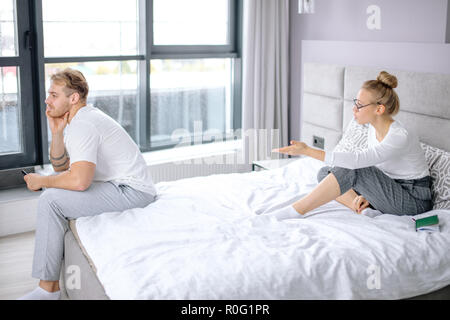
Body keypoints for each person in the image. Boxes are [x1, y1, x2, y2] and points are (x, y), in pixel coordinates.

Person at [18, 68, 157, 300]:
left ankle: (48, 290)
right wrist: (57, 133)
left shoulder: (84, 125)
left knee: (51, 200)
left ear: (73, 98)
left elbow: (80, 181)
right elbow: (62, 168)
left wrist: (42, 182)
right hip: (118, 185)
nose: (47, 100)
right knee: (54, 189)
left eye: (54, 95)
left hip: (132, 191)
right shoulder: (80, 120)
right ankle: (47, 288)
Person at [270, 71, 432, 220]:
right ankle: (362, 207)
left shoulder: (399, 136)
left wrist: (307, 150)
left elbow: (357, 161)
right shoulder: (372, 129)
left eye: (360, 105)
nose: (354, 109)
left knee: (352, 168)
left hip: (413, 200)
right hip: (390, 188)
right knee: (324, 173)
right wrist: (369, 193)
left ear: (379, 109)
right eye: (355, 102)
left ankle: (296, 210)